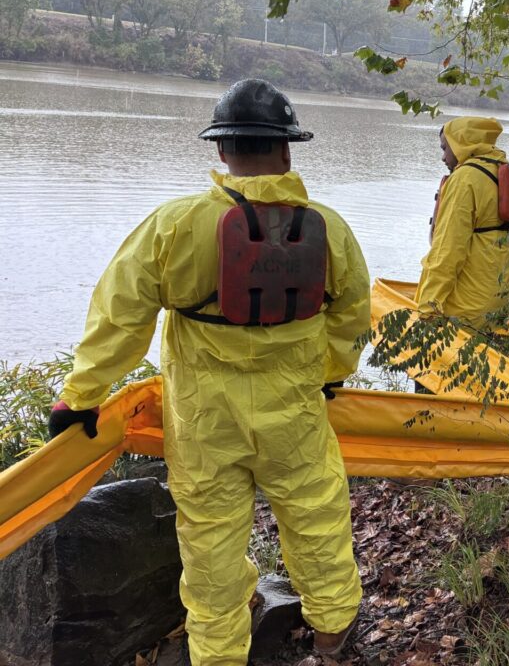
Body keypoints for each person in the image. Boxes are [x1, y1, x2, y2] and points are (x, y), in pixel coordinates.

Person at [47, 79, 370, 666]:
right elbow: (352, 316)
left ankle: (219, 655)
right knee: (317, 519)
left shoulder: (174, 225)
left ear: (221, 151)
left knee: (211, 548)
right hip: (294, 417)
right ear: (289, 150)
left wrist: (82, 395)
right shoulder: (332, 231)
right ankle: (332, 638)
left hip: (203, 423)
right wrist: (332, 373)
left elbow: (120, 314)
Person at [416, 117, 509, 330]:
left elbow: (448, 250)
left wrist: (428, 307)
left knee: (452, 362)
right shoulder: (499, 170)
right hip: (500, 294)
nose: (443, 157)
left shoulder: (465, 179)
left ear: (462, 143)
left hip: (468, 302)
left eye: (445, 148)